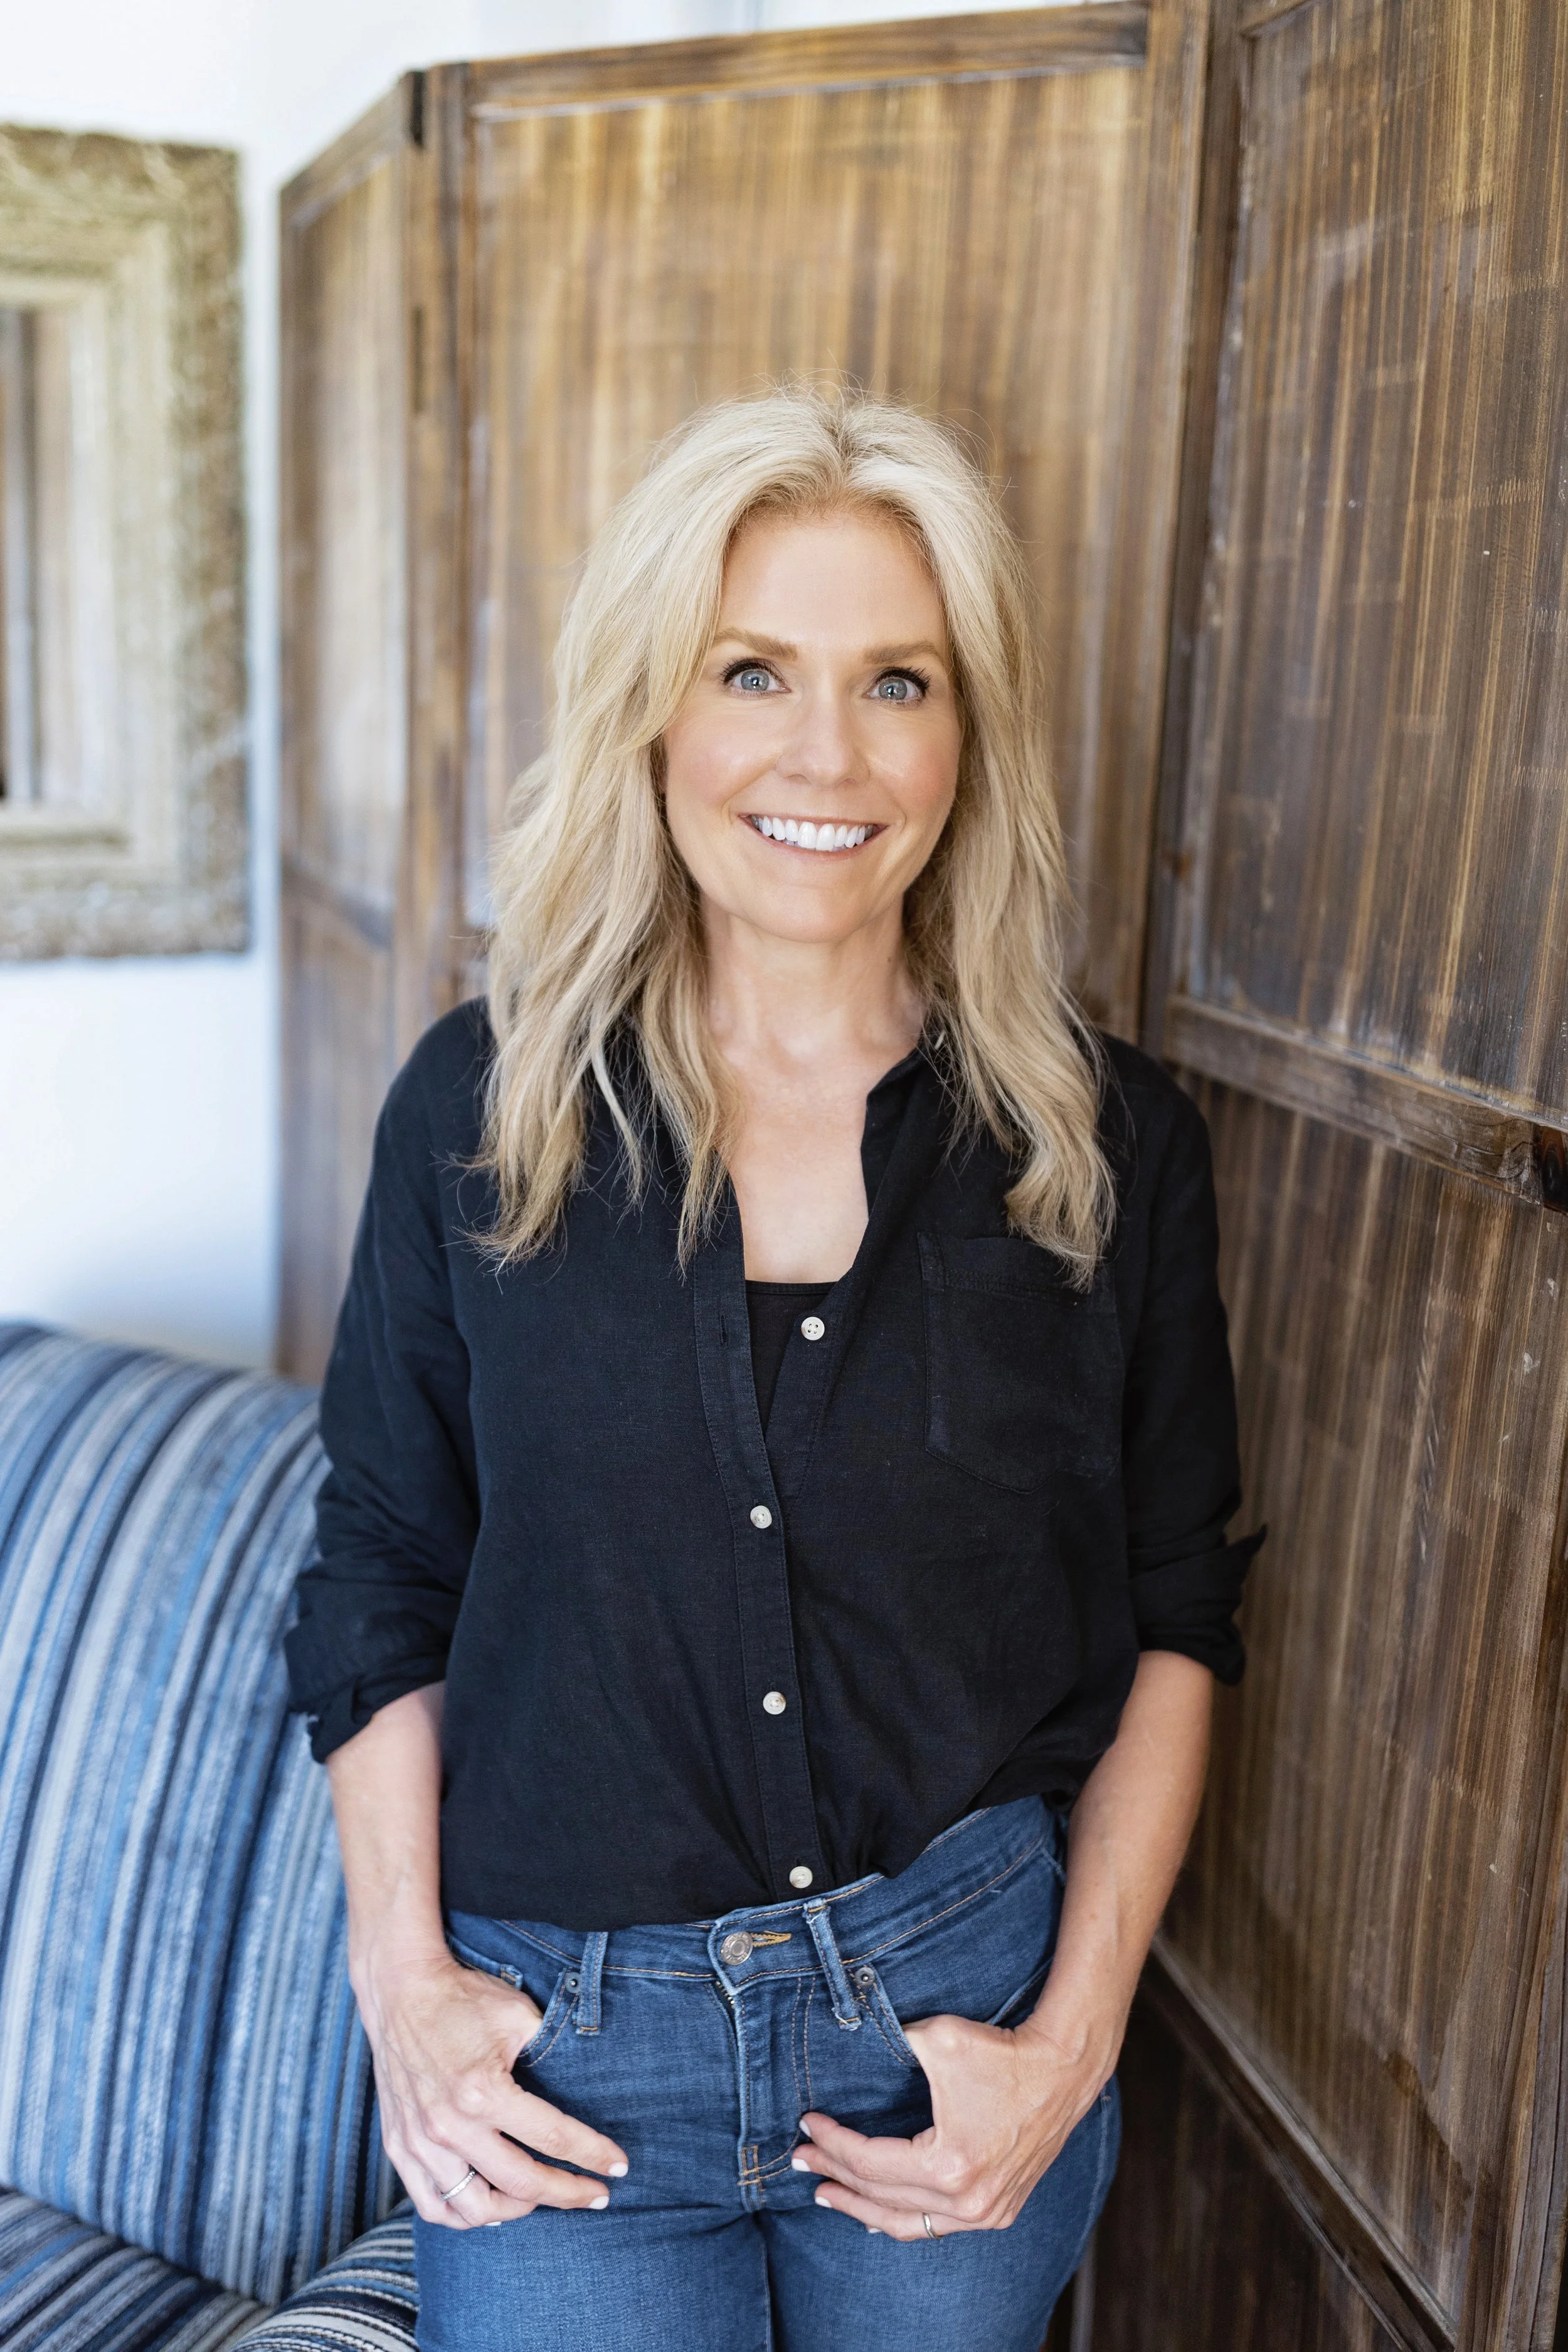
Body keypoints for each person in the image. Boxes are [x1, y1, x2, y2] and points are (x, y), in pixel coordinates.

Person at [285, 384, 1260, 2352]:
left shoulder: (1102, 1146)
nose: (827, 753)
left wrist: (1069, 2043)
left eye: (897, 680)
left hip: (951, 2041)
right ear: (653, 708)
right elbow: (380, 1567)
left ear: (966, 734)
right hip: (566, 2066)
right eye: (753, 671)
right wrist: (403, 1988)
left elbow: (1179, 1611)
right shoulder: (481, 1112)